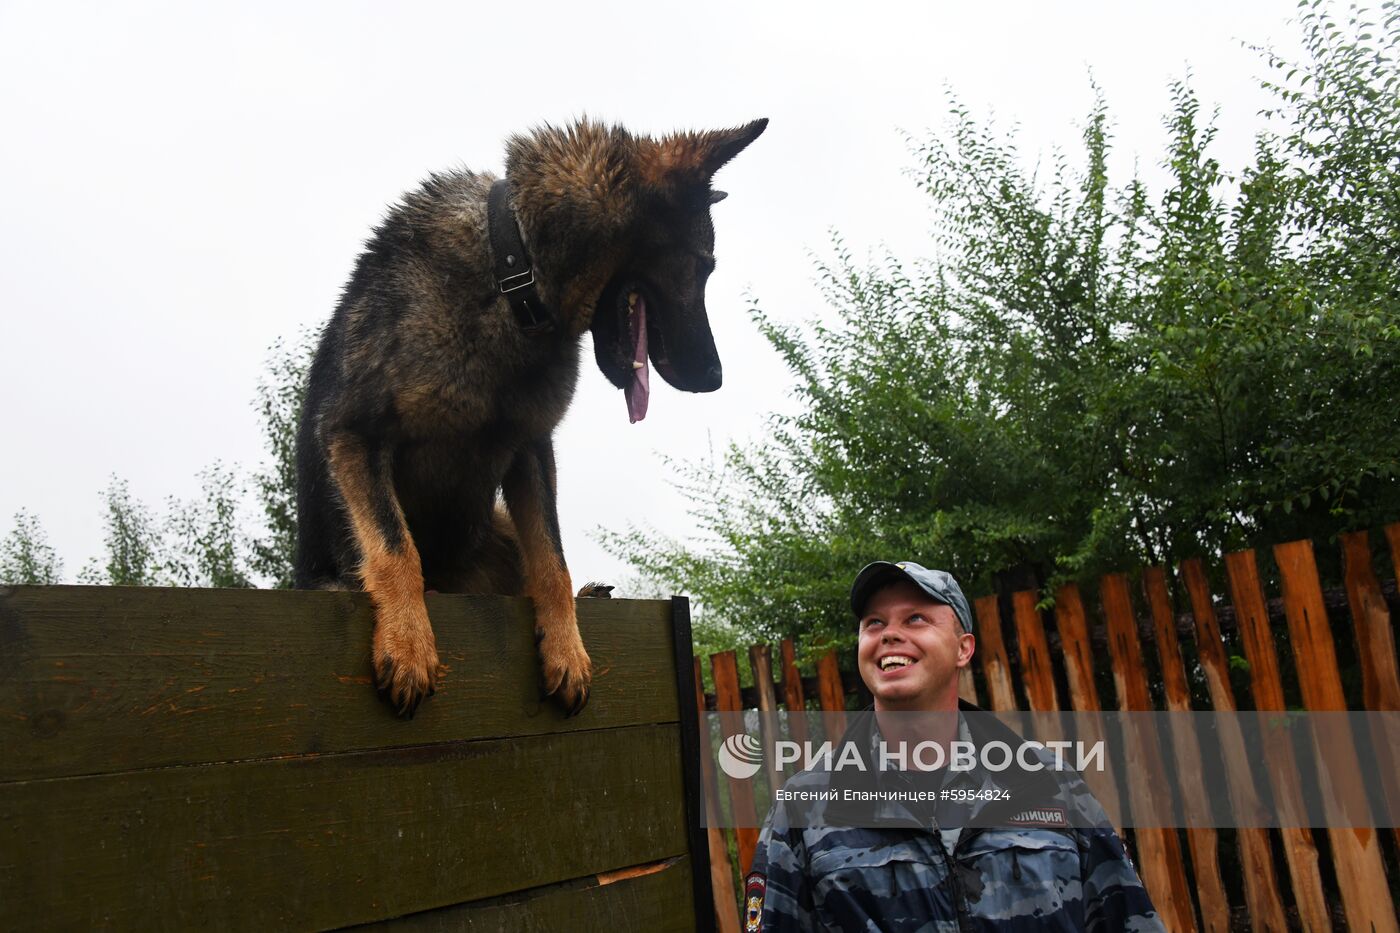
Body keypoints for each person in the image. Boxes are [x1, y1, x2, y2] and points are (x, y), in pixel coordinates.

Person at [745, 560, 1165, 931]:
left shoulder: (1047, 783)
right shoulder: (805, 806)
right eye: (874, 622)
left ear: (964, 649)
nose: (889, 634)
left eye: (915, 619)